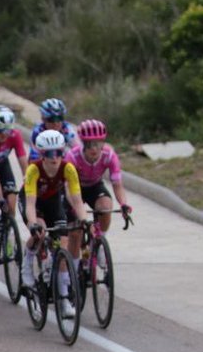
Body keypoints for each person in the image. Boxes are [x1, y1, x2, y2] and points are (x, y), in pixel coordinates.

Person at [23, 129, 90, 318]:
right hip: (34, 202)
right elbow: (30, 203)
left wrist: (84, 220)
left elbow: (76, 200)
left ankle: (63, 298)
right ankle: (27, 262)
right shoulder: (33, 169)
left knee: (63, 245)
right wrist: (32, 224)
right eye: (50, 154)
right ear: (42, 155)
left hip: (53, 202)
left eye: (59, 152)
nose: (55, 158)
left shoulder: (68, 168)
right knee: (41, 232)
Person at [67, 119, 131, 236]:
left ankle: (100, 241)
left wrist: (123, 204)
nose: (94, 148)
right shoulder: (73, 157)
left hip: (94, 186)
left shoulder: (109, 156)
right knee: (76, 232)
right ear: (82, 143)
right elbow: (67, 187)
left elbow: (117, 185)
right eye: (89, 144)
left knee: (106, 207)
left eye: (98, 143)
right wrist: (77, 208)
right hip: (74, 188)